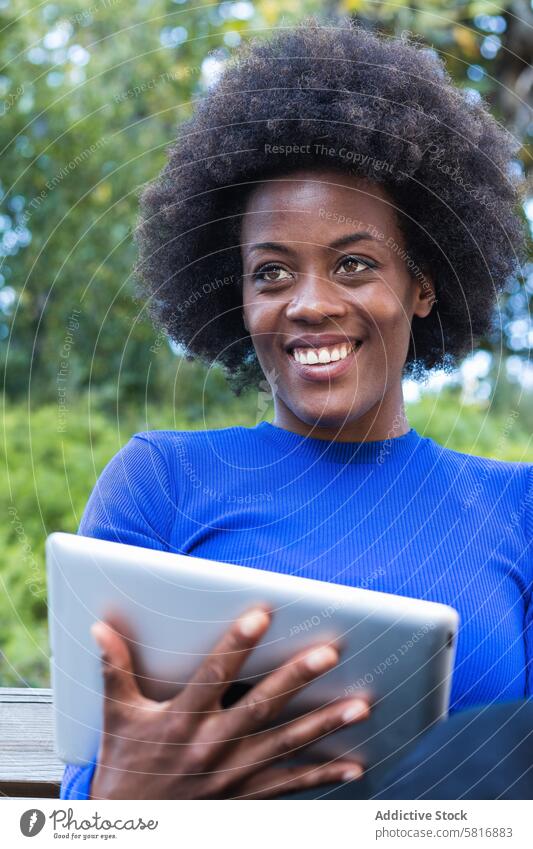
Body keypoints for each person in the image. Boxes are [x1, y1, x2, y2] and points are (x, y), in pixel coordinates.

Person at [60, 18, 532, 800]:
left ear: (420, 286)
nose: (309, 304)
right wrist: (122, 796)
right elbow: (90, 786)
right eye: (271, 273)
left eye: (353, 263)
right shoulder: (162, 480)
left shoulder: (517, 506)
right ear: (236, 298)